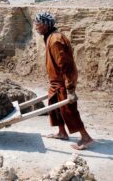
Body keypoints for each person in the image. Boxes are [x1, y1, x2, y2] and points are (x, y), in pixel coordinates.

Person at [34, 12, 93, 150]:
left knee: (68, 110)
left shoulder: (55, 40)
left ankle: (86, 137)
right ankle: (62, 132)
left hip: (63, 81)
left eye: (38, 24)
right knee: (54, 105)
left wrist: (70, 89)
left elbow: (64, 65)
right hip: (55, 81)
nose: (36, 27)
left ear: (45, 25)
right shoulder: (50, 36)